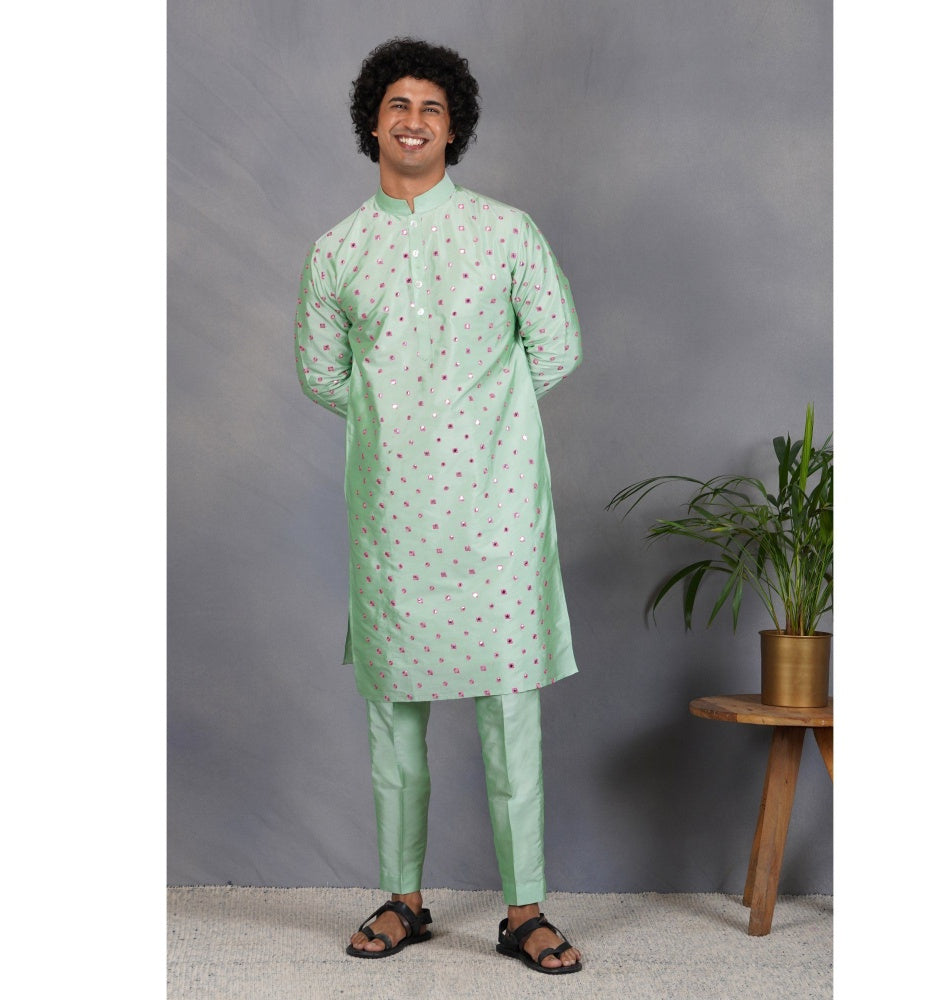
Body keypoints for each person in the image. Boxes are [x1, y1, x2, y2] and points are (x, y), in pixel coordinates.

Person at [294, 37, 582, 975]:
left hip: (497, 511)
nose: (413, 121)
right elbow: (321, 373)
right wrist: (402, 424)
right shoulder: (338, 251)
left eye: (431, 108)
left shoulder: (506, 233)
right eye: (397, 105)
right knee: (394, 718)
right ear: (372, 123)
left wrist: (479, 420)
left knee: (511, 714)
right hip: (391, 514)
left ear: (453, 130)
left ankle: (525, 910)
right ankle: (402, 899)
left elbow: (557, 346)